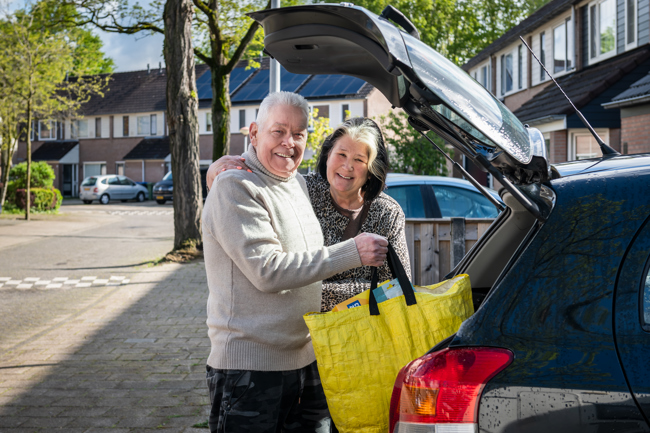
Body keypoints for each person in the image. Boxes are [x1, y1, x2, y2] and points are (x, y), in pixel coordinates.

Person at [202, 91, 388, 433]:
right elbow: (268, 271)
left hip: (305, 361)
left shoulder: (298, 183)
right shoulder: (235, 187)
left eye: (299, 134)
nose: (289, 142)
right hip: (251, 371)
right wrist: (352, 251)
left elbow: (345, 186)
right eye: (279, 131)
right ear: (254, 133)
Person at [207, 117, 411, 312]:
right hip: (299, 337)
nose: (347, 166)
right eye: (341, 154)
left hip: (365, 336)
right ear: (328, 154)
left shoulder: (387, 213)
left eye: (359, 159)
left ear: (371, 169)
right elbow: (254, 190)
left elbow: (399, 288)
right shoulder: (300, 189)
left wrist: (312, 294)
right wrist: (215, 176)